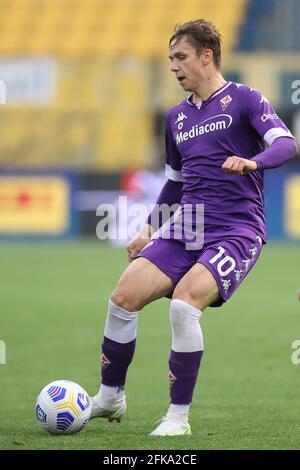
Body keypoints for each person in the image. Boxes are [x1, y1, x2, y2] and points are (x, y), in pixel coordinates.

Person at [89, 19, 297, 436]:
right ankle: (111, 396)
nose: (173, 66)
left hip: (237, 229)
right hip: (189, 225)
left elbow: (287, 143)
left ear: (207, 56)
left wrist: (253, 161)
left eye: (180, 57)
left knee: (185, 305)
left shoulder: (244, 99)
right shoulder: (177, 118)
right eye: (169, 59)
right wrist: (148, 228)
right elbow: (175, 182)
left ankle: (177, 418)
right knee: (122, 296)